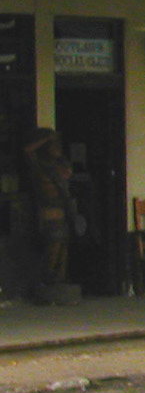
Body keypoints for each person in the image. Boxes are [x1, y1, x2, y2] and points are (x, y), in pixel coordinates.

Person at [23, 128, 74, 298]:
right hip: (48, 210)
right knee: (53, 243)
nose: (56, 149)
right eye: (53, 146)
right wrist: (46, 139)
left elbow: (67, 175)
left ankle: (58, 278)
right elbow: (28, 151)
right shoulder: (40, 166)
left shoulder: (60, 165)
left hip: (61, 209)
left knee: (63, 246)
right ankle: (48, 278)